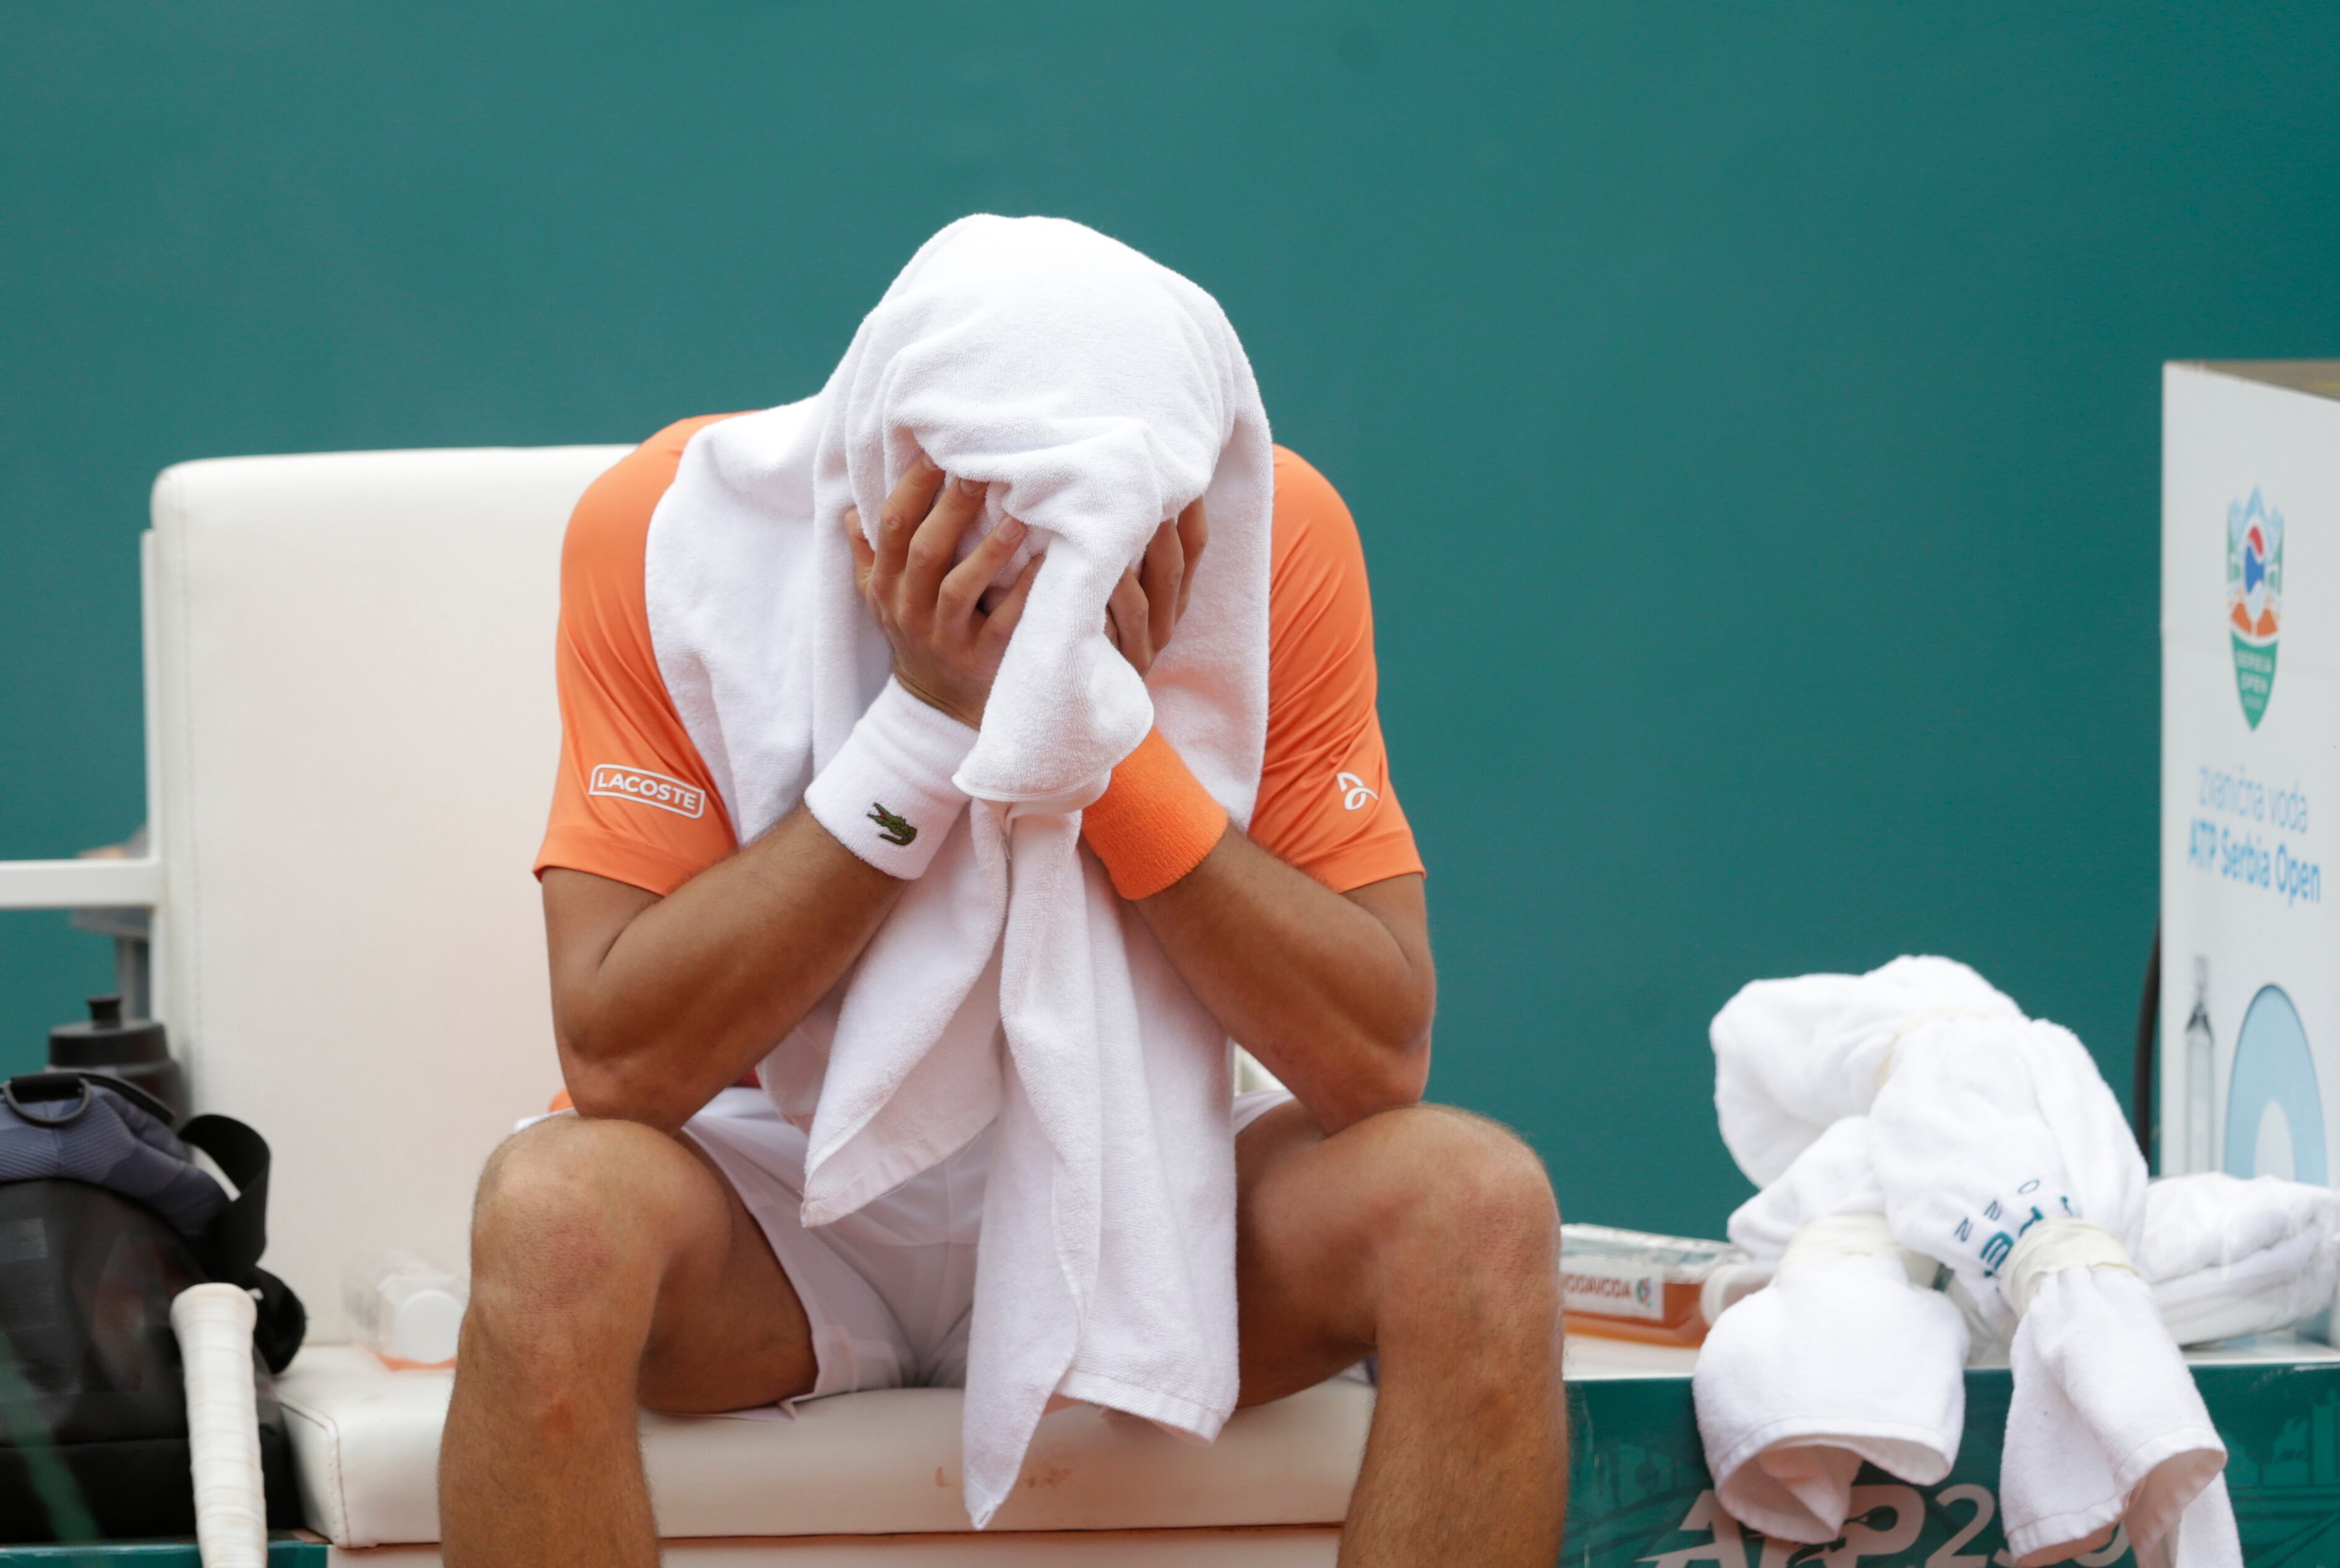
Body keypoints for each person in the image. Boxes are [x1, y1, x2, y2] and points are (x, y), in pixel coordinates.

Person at [437, 413, 1567, 1567]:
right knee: (554, 1208)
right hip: (774, 1201)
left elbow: (1376, 1059)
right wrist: (925, 723)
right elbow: (619, 1063)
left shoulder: (1262, 516)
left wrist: (1096, 735)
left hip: (1134, 1180)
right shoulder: (677, 514)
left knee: (1474, 1203)